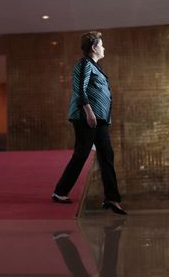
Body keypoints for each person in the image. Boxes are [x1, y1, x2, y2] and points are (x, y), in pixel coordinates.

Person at [52, 31, 127, 215]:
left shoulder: (95, 66)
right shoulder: (84, 64)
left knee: (106, 155)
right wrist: (89, 112)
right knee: (82, 153)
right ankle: (60, 192)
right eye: (101, 45)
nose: (104, 48)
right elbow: (79, 89)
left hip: (98, 120)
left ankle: (112, 198)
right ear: (94, 47)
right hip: (86, 117)